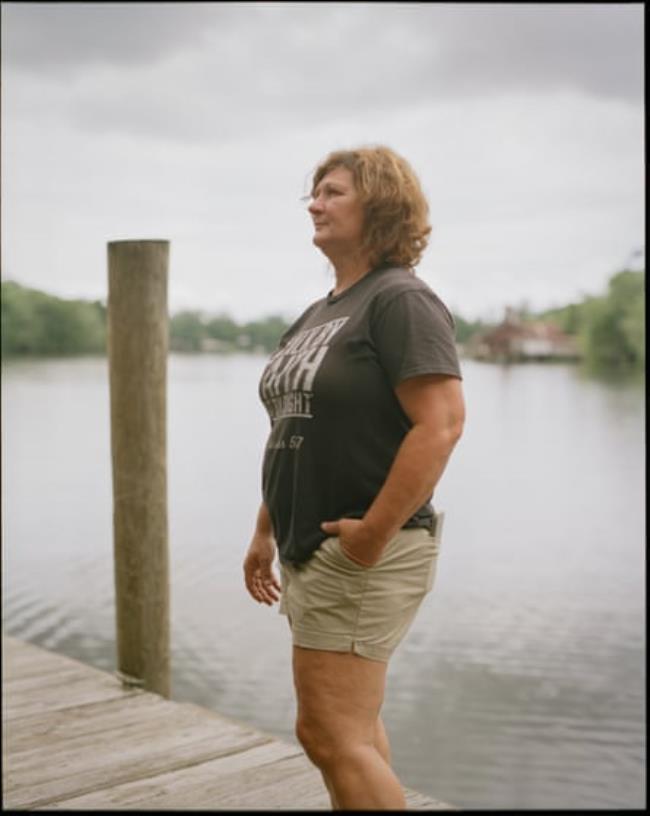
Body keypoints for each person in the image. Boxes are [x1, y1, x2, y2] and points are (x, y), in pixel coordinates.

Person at [243, 145, 465, 810]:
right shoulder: (320, 314)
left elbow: (443, 424)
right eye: (315, 193)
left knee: (327, 732)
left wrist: (371, 534)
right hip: (313, 546)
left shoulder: (400, 301)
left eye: (333, 192)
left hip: (363, 552)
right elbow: (293, 430)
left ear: (379, 204)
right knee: (354, 728)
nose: (314, 204)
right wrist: (265, 531)